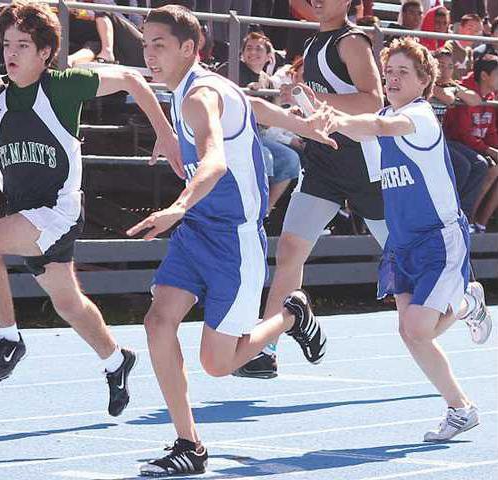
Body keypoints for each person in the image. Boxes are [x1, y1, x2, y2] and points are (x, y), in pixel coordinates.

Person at [0, 0, 181, 416]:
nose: (11, 53)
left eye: (22, 45)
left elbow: (133, 79)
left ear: (45, 52)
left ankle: (8, 338)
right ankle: (116, 360)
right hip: (25, 215)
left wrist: (165, 135)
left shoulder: (62, 86)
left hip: (57, 211)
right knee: (68, 303)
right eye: (7, 44)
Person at [128, 5, 337, 476]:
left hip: (233, 241)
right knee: (158, 322)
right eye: (145, 45)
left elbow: (215, 161)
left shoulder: (198, 96)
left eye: (159, 45)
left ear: (188, 48)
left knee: (219, 364)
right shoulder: (204, 87)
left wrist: (179, 205)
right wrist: (302, 124)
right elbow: (252, 107)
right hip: (197, 233)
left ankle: (290, 315)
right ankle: (189, 445)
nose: (149, 55)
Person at [327, 37, 492, 441]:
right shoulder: (385, 116)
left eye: (403, 72)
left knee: (418, 329)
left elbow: (377, 126)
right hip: (402, 242)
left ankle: (465, 308)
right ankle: (461, 406)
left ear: (423, 82)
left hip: (438, 238)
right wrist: (309, 115)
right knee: (411, 332)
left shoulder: (420, 116)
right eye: (389, 72)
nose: (393, 79)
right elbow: (368, 134)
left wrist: (335, 118)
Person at [235, 0, 387, 379]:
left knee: (405, 255)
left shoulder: (352, 42)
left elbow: (373, 100)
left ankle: (463, 299)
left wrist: (314, 99)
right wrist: (299, 106)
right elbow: (322, 106)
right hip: (323, 162)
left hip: (363, 164)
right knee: (290, 250)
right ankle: (265, 349)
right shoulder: (313, 43)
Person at [444, 54, 498, 233]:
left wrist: (493, 149)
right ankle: (468, 219)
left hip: (476, 146)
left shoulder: (491, 96)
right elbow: (462, 133)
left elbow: (490, 132)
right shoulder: (466, 93)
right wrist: (490, 151)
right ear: (484, 76)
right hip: (458, 143)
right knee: (486, 167)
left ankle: (480, 224)